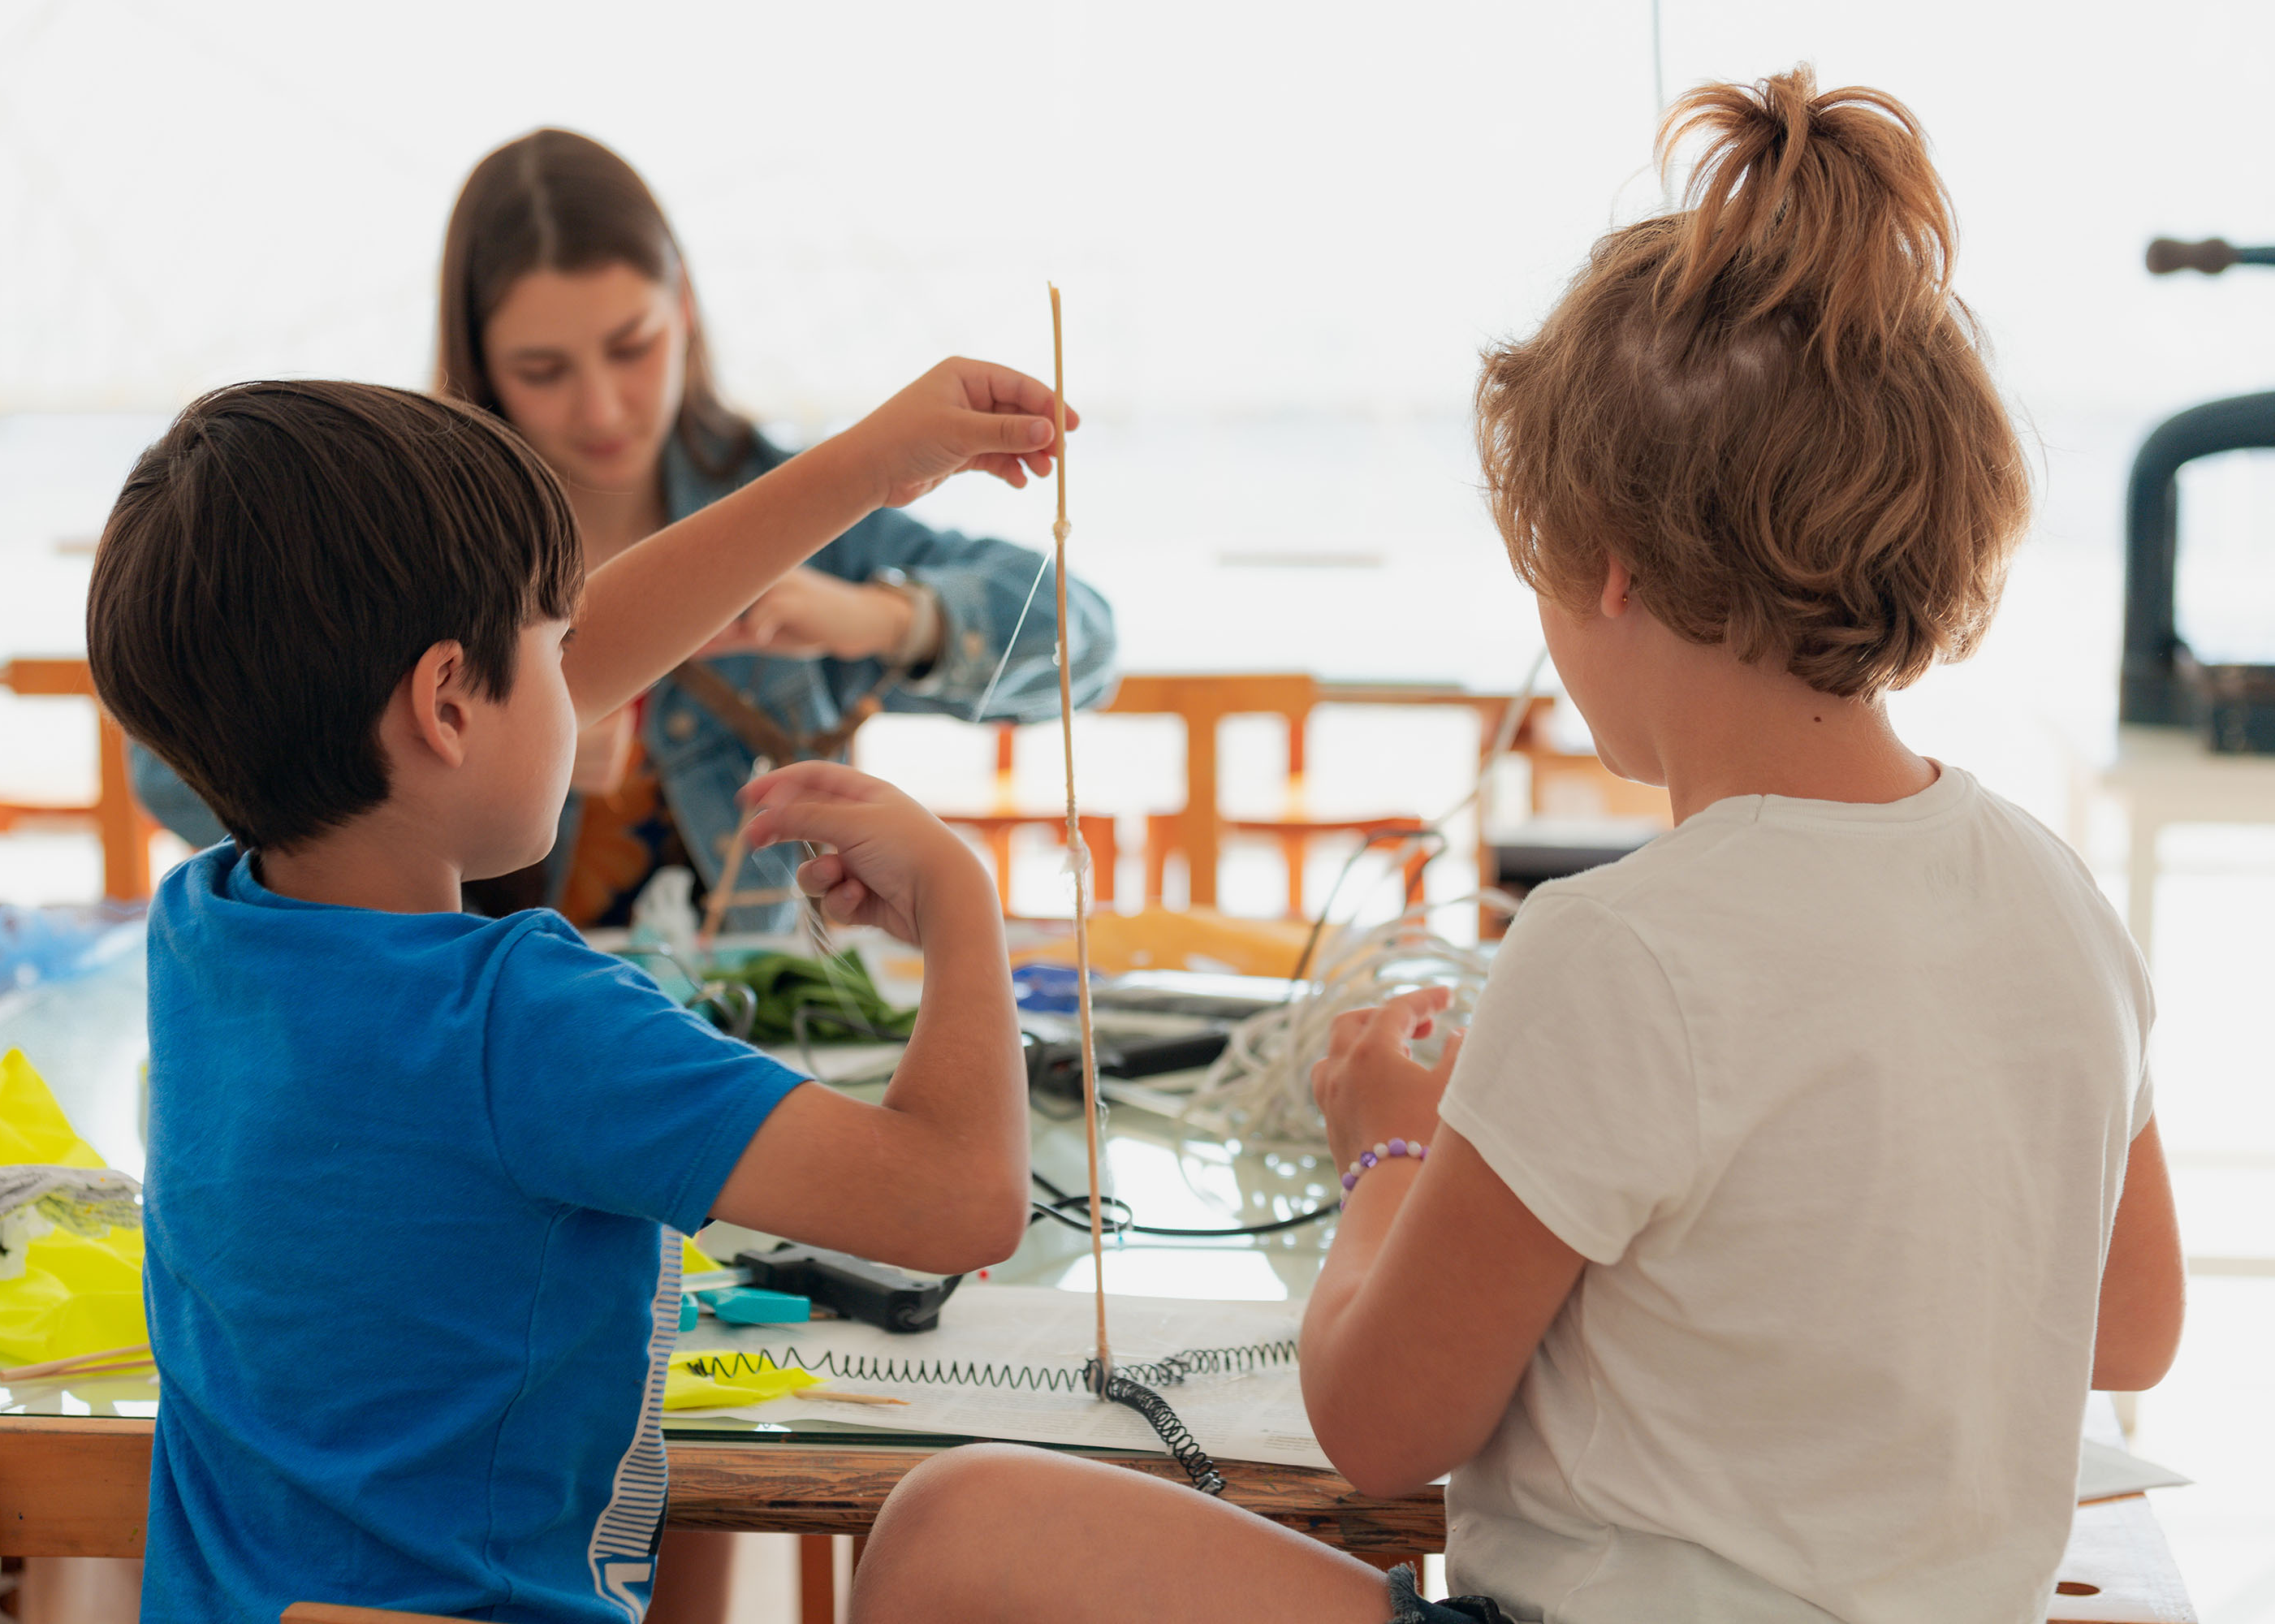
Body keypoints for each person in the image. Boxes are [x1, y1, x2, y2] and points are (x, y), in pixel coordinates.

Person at [840, 69, 2187, 1624]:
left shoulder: (1621, 946)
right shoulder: (2057, 897)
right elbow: (2131, 1331)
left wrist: (1391, 1151)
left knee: (955, 1529)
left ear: (1607, 571)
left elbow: (1383, 1424)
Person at [85, 359, 1061, 1622]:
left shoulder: (204, 932)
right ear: (446, 703)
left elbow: (499, 701)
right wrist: (961, 903)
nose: (590, 676)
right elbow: (963, 1201)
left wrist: (863, 467)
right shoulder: (525, 1022)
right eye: (557, 651)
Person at [131, 127, 1117, 931]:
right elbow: (182, 754)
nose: (602, 409)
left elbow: (1090, 646)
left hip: (766, 1032)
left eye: (631, 346)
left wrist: (883, 621)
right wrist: (497, 767)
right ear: (479, 359)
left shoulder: (795, 510)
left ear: (684, 310)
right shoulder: (407, 542)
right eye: (545, 369)